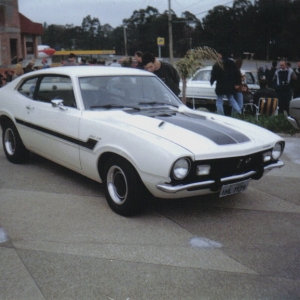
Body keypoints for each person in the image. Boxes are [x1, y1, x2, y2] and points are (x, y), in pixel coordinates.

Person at [210, 49, 242, 115]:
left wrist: (212, 81)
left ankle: (221, 114)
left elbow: (214, 74)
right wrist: (237, 83)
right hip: (229, 84)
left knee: (219, 101)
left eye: (218, 54)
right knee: (231, 99)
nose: (218, 55)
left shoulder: (218, 64)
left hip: (220, 85)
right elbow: (236, 73)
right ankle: (239, 112)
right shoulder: (231, 63)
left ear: (221, 55)